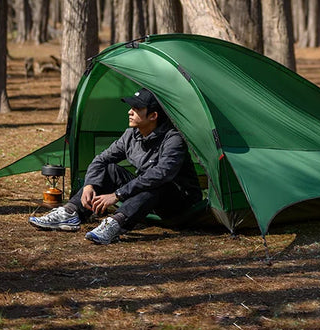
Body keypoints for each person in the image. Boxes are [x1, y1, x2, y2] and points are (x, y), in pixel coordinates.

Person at [29, 88, 202, 244]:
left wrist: (117, 195)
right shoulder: (131, 135)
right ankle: (71, 212)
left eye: (136, 109)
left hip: (179, 205)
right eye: (131, 108)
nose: (130, 112)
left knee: (156, 183)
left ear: (153, 116)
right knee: (110, 170)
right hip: (147, 196)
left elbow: (161, 174)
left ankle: (116, 223)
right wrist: (89, 184)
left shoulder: (173, 139)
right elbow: (100, 160)